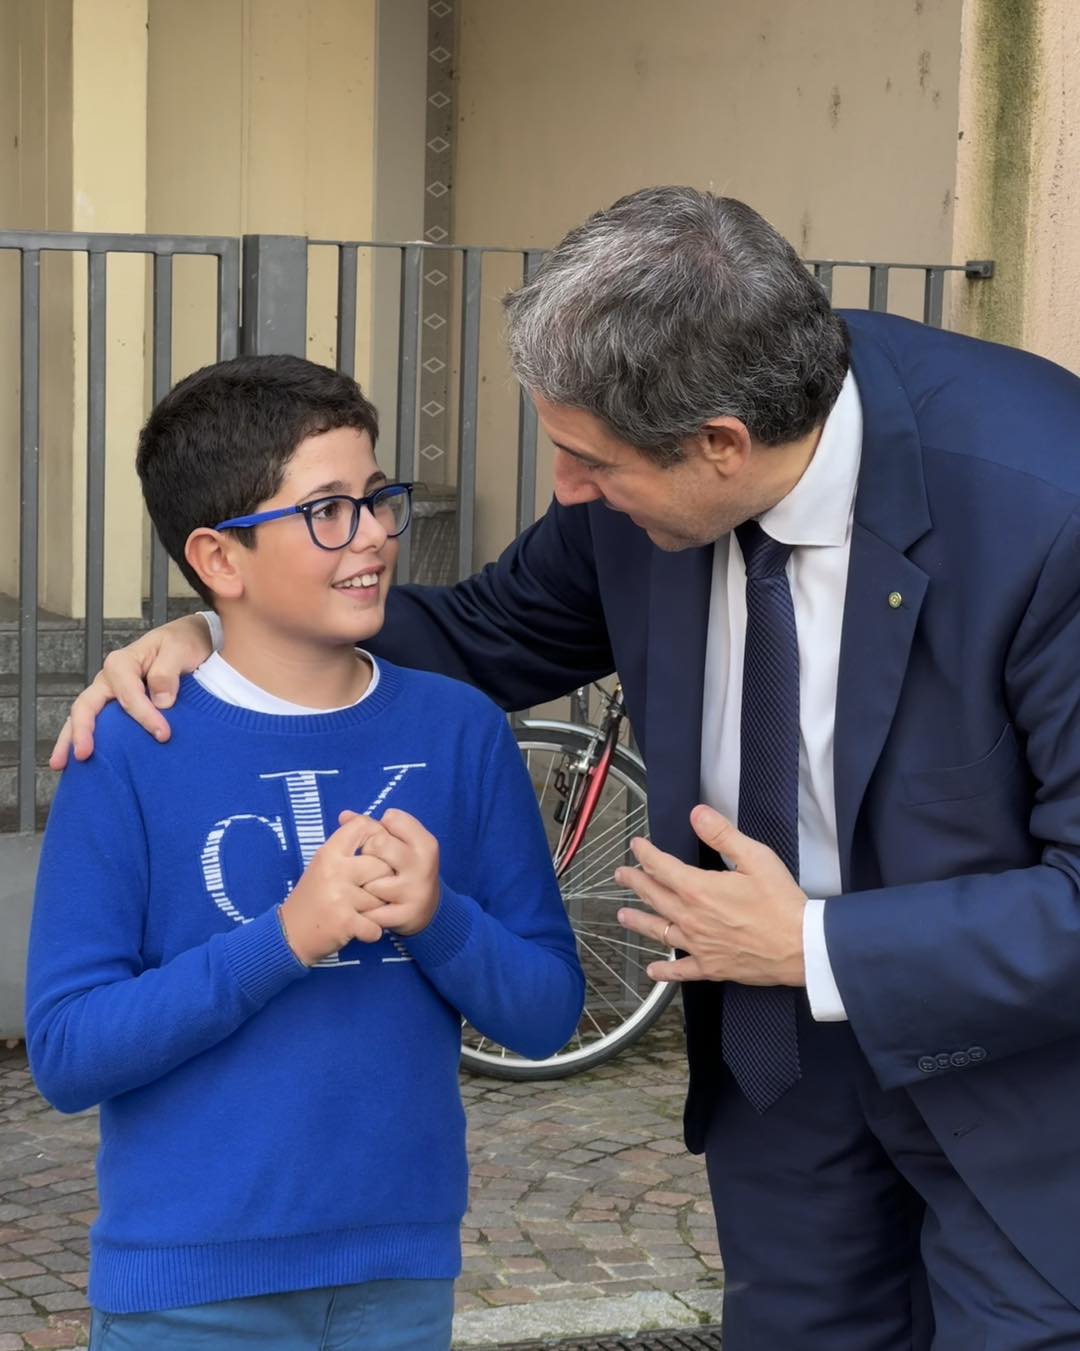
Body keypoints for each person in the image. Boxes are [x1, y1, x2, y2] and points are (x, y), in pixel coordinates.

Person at [51, 187, 1080, 1349]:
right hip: (783, 1075)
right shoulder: (643, 477)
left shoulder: (1050, 503)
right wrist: (218, 627)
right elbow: (476, 633)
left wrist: (808, 944)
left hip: (1018, 1084)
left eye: (589, 463)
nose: (566, 493)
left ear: (722, 445)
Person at [26, 354, 584, 1351]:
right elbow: (68, 1052)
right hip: (185, 1295)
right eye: (327, 510)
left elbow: (545, 1014)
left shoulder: (460, 731)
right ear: (221, 559)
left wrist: (440, 916)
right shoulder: (127, 746)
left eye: (375, 499)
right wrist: (286, 936)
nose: (372, 535)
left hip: (398, 1279)